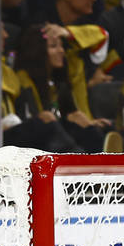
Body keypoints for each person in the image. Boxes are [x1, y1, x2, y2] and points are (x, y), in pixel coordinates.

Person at [0, 12, 80, 151]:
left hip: (11, 135)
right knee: (45, 127)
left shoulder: (7, 72)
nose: (5, 35)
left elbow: (22, 112)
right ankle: (80, 164)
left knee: (66, 126)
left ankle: (93, 160)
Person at [13, 22, 110, 151]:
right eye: (53, 46)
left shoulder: (58, 81)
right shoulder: (22, 79)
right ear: (37, 50)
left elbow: (102, 35)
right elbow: (37, 119)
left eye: (61, 46)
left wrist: (88, 125)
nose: (61, 51)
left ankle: (107, 155)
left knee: (80, 118)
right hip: (30, 140)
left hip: (57, 137)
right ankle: (82, 158)